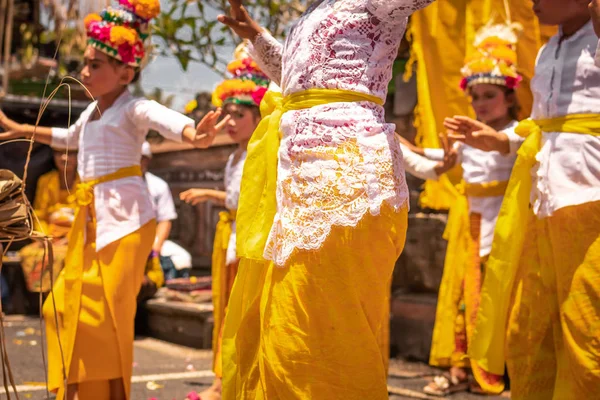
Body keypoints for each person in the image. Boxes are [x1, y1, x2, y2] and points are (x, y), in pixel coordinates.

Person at [0, 0, 227, 398]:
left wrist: (196, 135)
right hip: (92, 218)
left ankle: (101, 393)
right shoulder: (91, 111)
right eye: (85, 63)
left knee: (104, 314)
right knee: (60, 306)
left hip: (127, 221)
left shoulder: (133, 107)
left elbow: (164, 118)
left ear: (126, 71)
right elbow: (68, 137)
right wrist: (22, 127)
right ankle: (78, 388)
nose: (84, 71)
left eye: (95, 65)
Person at [217, 1, 434, 399]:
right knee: (288, 330)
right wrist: (258, 38)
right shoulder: (307, 15)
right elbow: (301, 82)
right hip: (296, 184)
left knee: (327, 332)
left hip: (344, 182)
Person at [444, 1, 600, 398]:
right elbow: (542, 125)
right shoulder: (548, 50)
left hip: (590, 201)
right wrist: (495, 140)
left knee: (588, 328)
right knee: (528, 328)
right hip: (542, 204)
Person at [404, 21, 525, 397]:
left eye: (488, 95)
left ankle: (494, 368)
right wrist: (400, 143)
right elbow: (440, 158)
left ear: (509, 97)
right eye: (473, 97)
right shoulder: (469, 139)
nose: (479, 104)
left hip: (507, 226)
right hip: (469, 226)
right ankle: (462, 369)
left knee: (499, 299)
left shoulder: (520, 133)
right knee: (463, 298)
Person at [179, 43, 269, 400]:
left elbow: (246, 199)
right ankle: (223, 378)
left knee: (241, 310)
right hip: (228, 234)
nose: (229, 122)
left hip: (248, 237)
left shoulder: (263, 152)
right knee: (223, 306)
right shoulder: (235, 155)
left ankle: (231, 381)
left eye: (238, 115)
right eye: (227, 114)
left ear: (259, 117)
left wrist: (209, 194)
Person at [19, 147, 79, 293]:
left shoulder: (86, 182)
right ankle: (43, 297)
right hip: (51, 237)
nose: (64, 158)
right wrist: (45, 237)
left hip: (76, 238)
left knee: (65, 257)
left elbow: (89, 219)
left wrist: (69, 238)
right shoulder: (45, 181)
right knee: (27, 254)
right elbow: (38, 215)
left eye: (70, 153)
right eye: (59, 153)